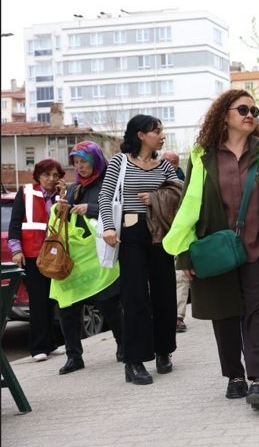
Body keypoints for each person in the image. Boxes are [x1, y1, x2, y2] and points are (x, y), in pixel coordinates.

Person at [163, 90, 259, 409]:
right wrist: (185, 255)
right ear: (224, 115)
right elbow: (188, 207)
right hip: (216, 248)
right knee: (224, 313)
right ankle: (234, 375)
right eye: (242, 109)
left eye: (253, 109)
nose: (249, 114)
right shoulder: (203, 154)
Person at [99, 115, 179, 385]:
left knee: (164, 292)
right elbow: (106, 196)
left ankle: (164, 350)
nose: (162, 135)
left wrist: (156, 197)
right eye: (157, 131)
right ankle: (134, 360)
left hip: (160, 233)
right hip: (130, 234)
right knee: (134, 296)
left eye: (161, 130)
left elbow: (181, 190)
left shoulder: (164, 165)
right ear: (141, 135)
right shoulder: (119, 163)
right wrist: (109, 227)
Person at [51, 141, 124, 374]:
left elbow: (116, 209)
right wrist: (62, 207)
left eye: (84, 161)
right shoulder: (74, 189)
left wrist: (89, 208)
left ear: (95, 161)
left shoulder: (108, 183)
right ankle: (74, 356)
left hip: (99, 256)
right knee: (68, 308)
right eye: (76, 162)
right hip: (77, 259)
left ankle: (124, 346)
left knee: (109, 305)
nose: (80, 166)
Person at [8, 159, 66, 362]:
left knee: (51, 299)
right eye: (47, 175)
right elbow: (15, 223)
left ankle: (50, 344)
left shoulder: (62, 196)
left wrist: (65, 198)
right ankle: (38, 347)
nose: (51, 179)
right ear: (38, 176)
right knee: (38, 301)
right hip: (32, 255)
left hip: (54, 255)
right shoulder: (25, 192)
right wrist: (16, 251)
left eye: (55, 175)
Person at [162, 150, 190, 332]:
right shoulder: (154, 180)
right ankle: (166, 314)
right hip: (161, 234)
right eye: (166, 162)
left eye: (173, 162)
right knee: (165, 278)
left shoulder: (183, 183)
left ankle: (178, 316)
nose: (169, 166)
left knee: (181, 276)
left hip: (178, 233)